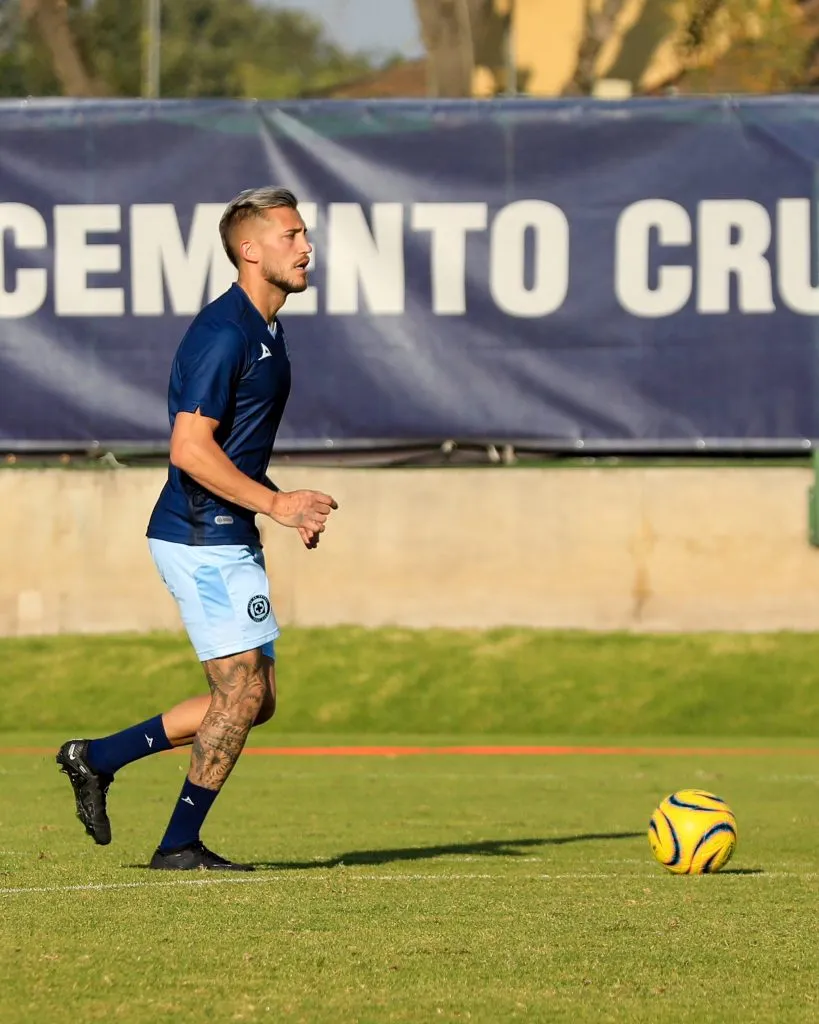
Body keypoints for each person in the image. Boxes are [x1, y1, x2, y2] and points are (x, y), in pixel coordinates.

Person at [56, 187, 338, 871]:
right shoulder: (225, 333)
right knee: (240, 693)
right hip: (198, 534)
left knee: (256, 700)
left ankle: (97, 757)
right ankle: (178, 846)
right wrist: (275, 504)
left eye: (305, 234)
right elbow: (189, 448)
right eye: (291, 236)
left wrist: (276, 506)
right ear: (249, 249)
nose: (306, 247)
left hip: (225, 531)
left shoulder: (267, 329)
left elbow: (230, 448)